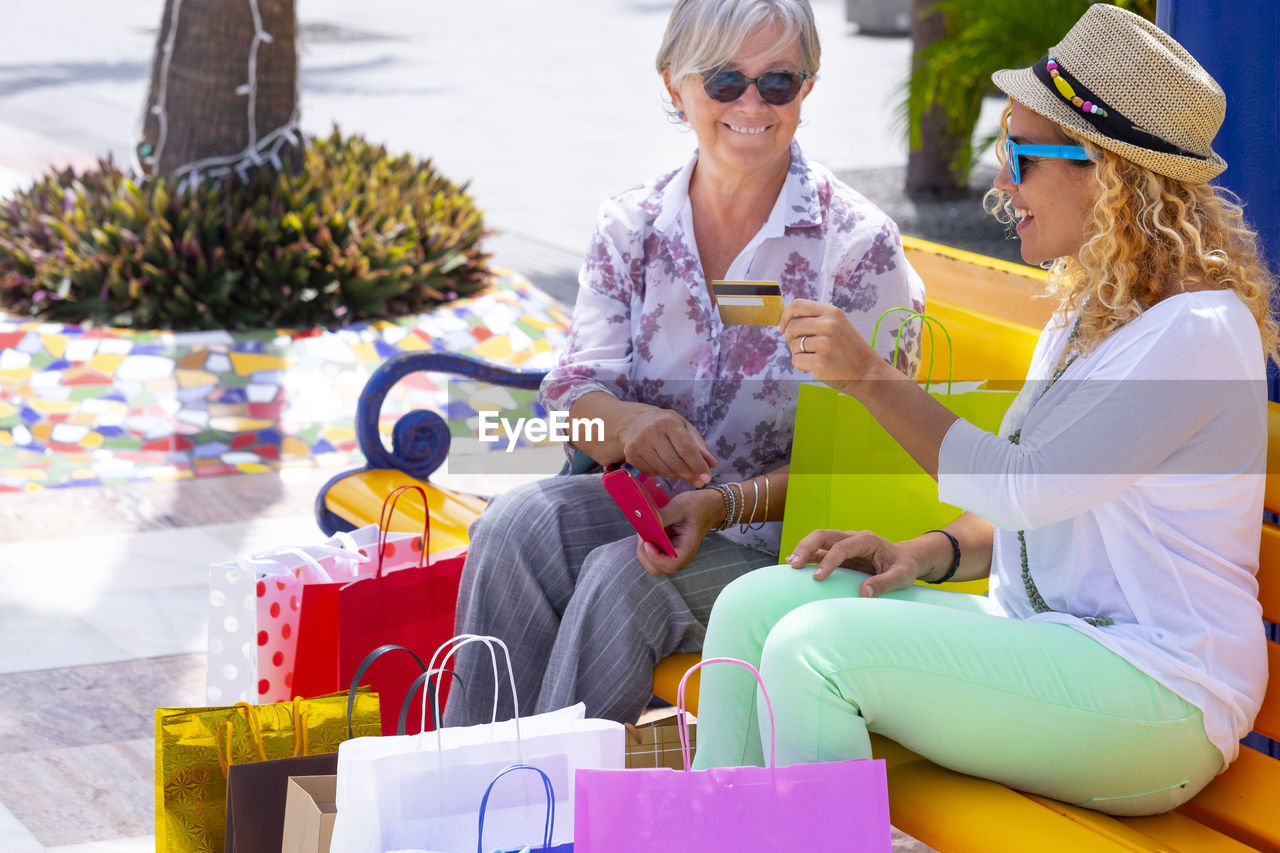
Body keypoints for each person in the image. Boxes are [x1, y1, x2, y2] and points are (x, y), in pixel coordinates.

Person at [691, 3, 1278, 817]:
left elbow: (1022, 486)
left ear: (1109, 174)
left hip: (1161, 695)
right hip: (1053, 650)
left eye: (1021, 155)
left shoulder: (1199, 332)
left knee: (814, 649)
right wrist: (921, 551)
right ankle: (720, 836)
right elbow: (1040, 509)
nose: (1001, 181)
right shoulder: (1091, 312)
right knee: (754, 605)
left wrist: (867, 375)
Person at [443, 0, 925, 727]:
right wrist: (629, 421)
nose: (753, 105)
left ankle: (554, 819)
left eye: (779, 82)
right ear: (676, 87)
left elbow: (878, 456)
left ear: (809, 88)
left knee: (623, 577)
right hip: (652, 512)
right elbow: (576, 394)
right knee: (512, 525)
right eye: (725, 82)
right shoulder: (632, 224)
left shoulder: (856, 247)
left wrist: (723, 503)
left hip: (796, 550)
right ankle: (468, 797)